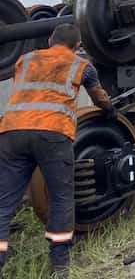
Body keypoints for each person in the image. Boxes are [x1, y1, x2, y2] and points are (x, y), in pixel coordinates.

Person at [0, 24, 116, 277]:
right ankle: (60, 264)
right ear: (77, 46)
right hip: (52, 133)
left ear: (50, 39)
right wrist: (109, 110)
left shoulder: (25, 59)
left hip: (11, 131)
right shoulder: (82, 65)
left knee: (4, 201)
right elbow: (99, 98)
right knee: (62, 198)